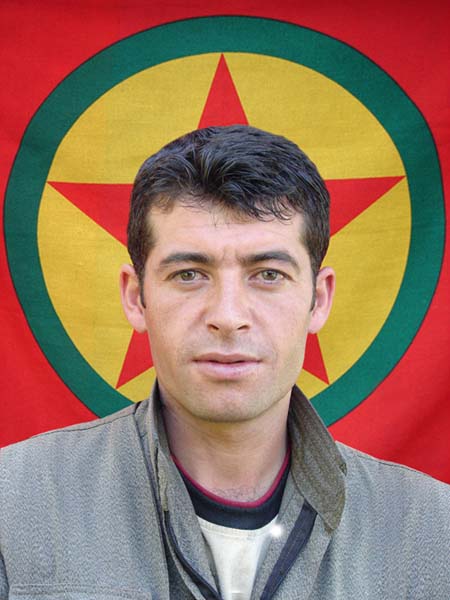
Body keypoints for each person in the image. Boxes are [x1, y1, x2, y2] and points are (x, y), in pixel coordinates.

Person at [0, 125, 449, 600]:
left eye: (268, 274)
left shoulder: (432, 531)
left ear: (318, 300)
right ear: (136, 297)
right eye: (189, 274)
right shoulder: (13, 507)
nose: (229, 316)